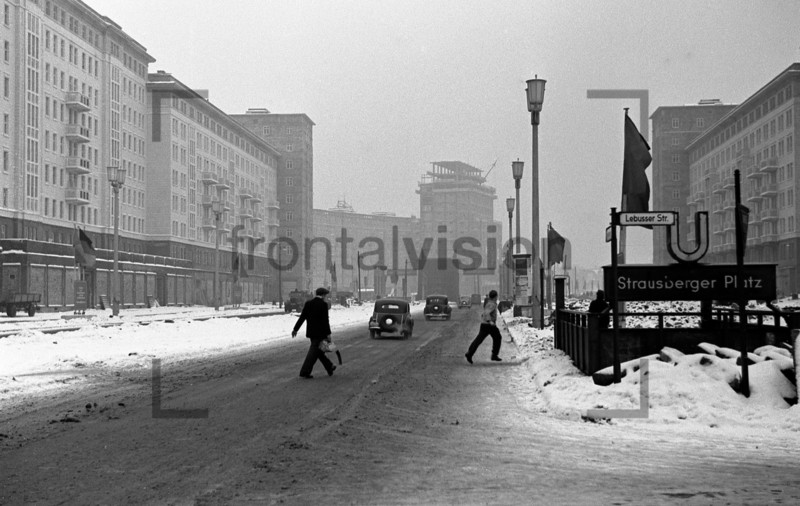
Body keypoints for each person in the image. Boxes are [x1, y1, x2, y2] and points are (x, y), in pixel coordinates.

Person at [291, 287, 336, 379]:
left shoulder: (308, 303)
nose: (326, 297)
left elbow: (302, 317)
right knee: (314, 352)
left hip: (311, 333)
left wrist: (295, 329)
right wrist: (328, 334)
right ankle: (305, 371)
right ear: (323, 295)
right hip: (321, 333)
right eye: (325, 295)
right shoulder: (323, 305)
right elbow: (325, 321)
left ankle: (329, 367)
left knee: (318, 351)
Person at [465, 290, 503, 363]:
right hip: (489, 325)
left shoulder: (489, 302)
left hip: (485, 324)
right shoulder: (491, 304)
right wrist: (490, 321)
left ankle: (469, 353)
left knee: (479, 340)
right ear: (495, 296)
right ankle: (494, 355)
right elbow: (486, 313)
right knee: (497, 337)